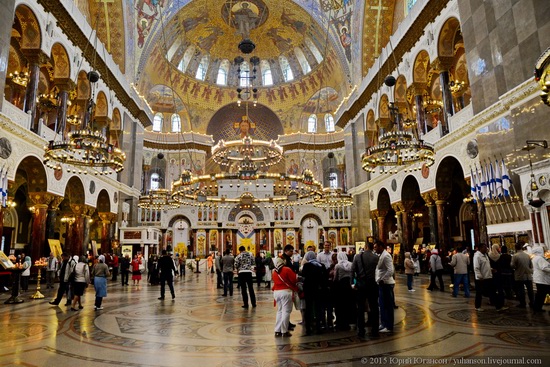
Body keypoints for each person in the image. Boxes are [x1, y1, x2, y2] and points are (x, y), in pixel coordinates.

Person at [351, 241, 379, 339]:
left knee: (360, 308)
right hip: (373, 284)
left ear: (365, 246)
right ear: (372, 248)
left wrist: (352, 283)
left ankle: (361, 330)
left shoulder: (358, 257)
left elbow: (353, 270)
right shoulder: (376, 257)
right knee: (374, 307)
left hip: (361, 285)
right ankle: (375, 330)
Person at [473, 243, 507, 312]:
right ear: (480, 248)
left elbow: (486, 265)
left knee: (492, 292)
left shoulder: (485, 255)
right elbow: (476, 267)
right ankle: (477, 306)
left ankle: (498, 307)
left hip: (488, 276)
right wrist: (479, 276)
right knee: (479, 293)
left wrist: (491, 269)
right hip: (481, 278)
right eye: (484, 248)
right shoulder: (477, 256)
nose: (486, 249)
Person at [301, 251, 327, 335]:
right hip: (318, 290)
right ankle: (319, 327)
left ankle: (308, 328)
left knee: (308, 308)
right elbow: (323, 278)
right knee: (318, 308)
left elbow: (303, 275)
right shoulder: (321, 265)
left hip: (308, 290)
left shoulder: (306, 266)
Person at [272, 257, 297, 337]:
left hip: (276, 292)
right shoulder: (287, 269)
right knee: (286, 311)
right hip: (285, 292)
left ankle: (277, 330)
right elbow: (294, 279)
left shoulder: (274, 272)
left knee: (279, 311)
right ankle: (284, 331)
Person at [376, 241, 395, 333]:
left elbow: (390, 270)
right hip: (382, 284)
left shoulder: (386, 255)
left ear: (381, 246)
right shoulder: (381, 255)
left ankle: (388, 326)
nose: (375, 248)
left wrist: (383, 279)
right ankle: (384, 323)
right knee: (382, 305)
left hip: (386, 284)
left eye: (376, 247)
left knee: (387, 305)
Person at [334, 251, 354, 331]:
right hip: (349, 286)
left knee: (340, 305)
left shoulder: (338, 265)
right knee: (348, 304)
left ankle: (340, 322)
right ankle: (348, 322)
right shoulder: (350, 264)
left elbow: (336, 277)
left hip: (340, 286)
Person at [511, 242, 534, 308]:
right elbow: (531, 265)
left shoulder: (515, 256)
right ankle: (532, 302)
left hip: (519, 275)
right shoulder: (527, 255)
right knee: (530, 290)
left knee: (521, 290)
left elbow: (513, 265)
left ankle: (522, 303)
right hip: (528, 274)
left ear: (515, 248)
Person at [531, 246, 550, 312]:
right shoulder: (539, 258)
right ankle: (537, 308)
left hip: (540, 279)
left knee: (540, 294)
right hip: (542, 279)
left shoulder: (536, 258)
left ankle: (537, 308)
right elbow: (544, 268)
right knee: (541, 294)